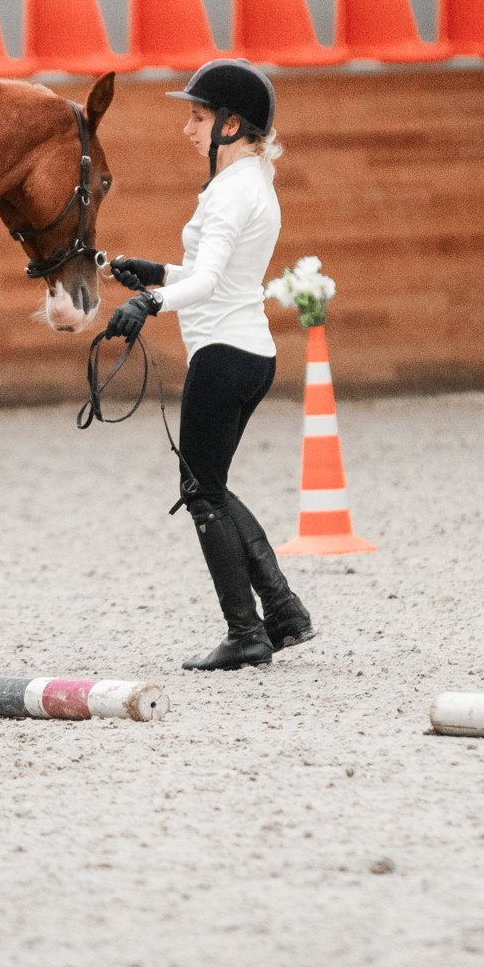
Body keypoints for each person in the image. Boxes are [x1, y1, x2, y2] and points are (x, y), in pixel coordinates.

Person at [104, 59, 315, 671]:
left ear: (231, 124)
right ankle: (283, 611)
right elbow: (209, 274)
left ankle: (247, 631)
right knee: (209, 486)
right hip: (248, 353)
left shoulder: (230, 191)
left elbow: (210, 283)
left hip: (223, 354)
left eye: (198, 118)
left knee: (201, 492)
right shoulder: (251, 183)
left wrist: (149, 302)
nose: (188, 129)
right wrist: (155, 273)